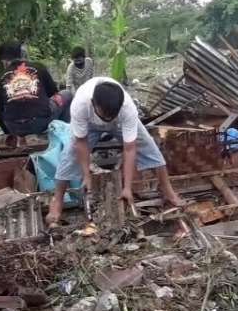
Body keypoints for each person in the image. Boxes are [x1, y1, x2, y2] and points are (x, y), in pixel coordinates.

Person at [46, 78, 184, 227]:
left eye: (111, 115)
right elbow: (81, 142)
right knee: (69, 156)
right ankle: (58, 199)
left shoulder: (127, 108)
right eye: (104, 115)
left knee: (150, 148)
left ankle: (169, 192)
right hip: (90, 124)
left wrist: (127, 188)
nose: (107, 119)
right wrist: (86, 175)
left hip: (119, 123)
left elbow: (130, 148)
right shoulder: (80, 105)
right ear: (93, 103)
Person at [0, 40, 64, 137]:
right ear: (22, 54)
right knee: (67, 95)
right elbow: (54, 95)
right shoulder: (39, 68)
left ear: (4, 60)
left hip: (14, 127)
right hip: (39, 124)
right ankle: (60, 136)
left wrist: (9, 133)